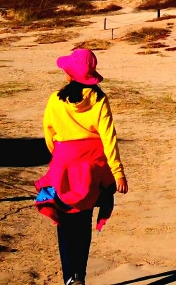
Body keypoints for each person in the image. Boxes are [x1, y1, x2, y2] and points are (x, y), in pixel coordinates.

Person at [38, 48, 128, 285]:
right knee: (84, 222)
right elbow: (109, 137)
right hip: (92, 167)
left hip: (64, 165)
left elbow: (49, 134)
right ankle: (81, 275)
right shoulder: (99, 99)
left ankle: (69, 277)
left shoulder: (55, 99)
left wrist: (59, 156)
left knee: (65, 221)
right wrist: (117, 173)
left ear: (69, 74)